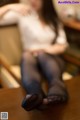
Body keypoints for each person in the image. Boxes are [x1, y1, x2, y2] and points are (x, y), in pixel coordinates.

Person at [0, 0, 69, 111]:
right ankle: (35, 95)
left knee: (42, 55)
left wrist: (43, 49)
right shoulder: (23, 14)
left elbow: (62, 45)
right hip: (31, 60)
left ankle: (57, 91)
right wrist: (10, 6)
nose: (33, 0)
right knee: (27, 56)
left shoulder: (53, 19)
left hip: (51, 57)